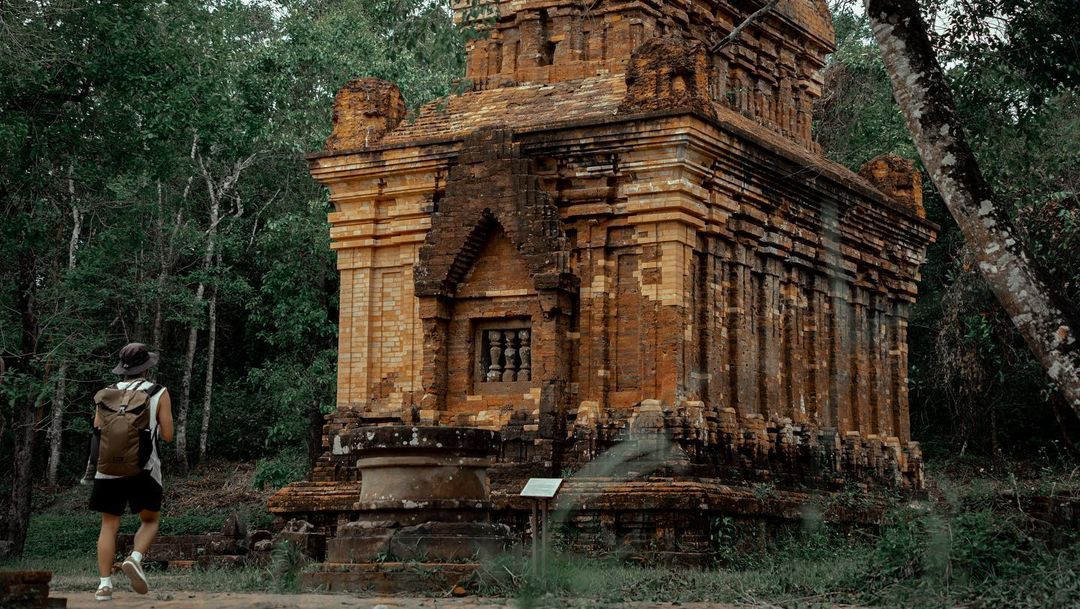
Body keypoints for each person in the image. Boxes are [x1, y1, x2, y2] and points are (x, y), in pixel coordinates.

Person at [89, 343, 174, 602]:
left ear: (122, 369)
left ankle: (104, 585)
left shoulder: (106, 393)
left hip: (107, 469)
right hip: (144, 468)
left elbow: (97, 428)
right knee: (150, 520)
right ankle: (135, 558)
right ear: (146, 368)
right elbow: (168, 436)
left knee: (109, 525)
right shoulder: (159, 392)